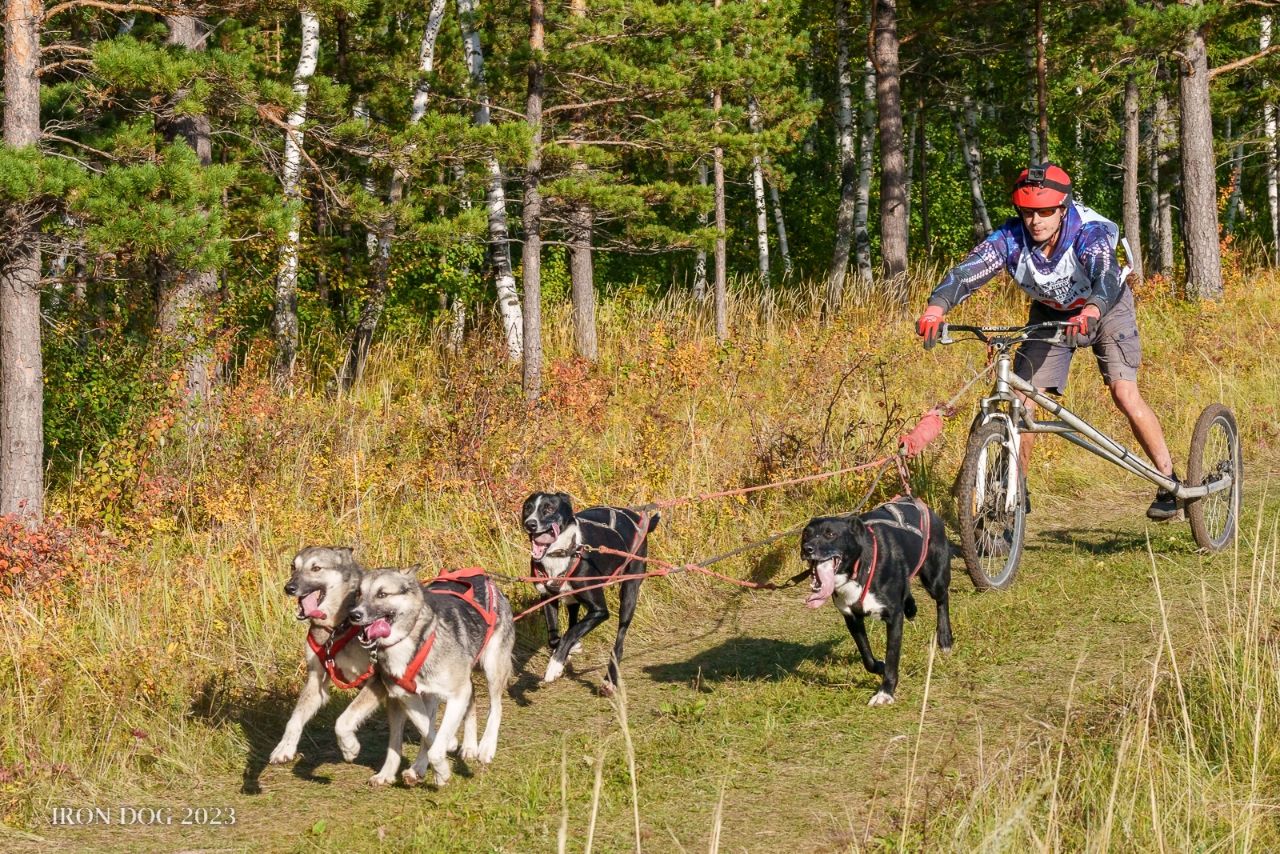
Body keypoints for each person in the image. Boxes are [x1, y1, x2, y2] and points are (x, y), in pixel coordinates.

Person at [914, 163, 1180, 520]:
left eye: (1045, 212)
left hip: (1106, 308)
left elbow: (1104, 275)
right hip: (1050, 314)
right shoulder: (1010, 239)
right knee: (1021, 397)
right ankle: (1014, 489)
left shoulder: (1090, 233)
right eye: (1027, 212)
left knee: (1124, 393)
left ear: (1063, 208)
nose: (1035, 221)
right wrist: (935, 309)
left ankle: (1167, 479)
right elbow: (967, 272)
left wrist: (1091, 311)